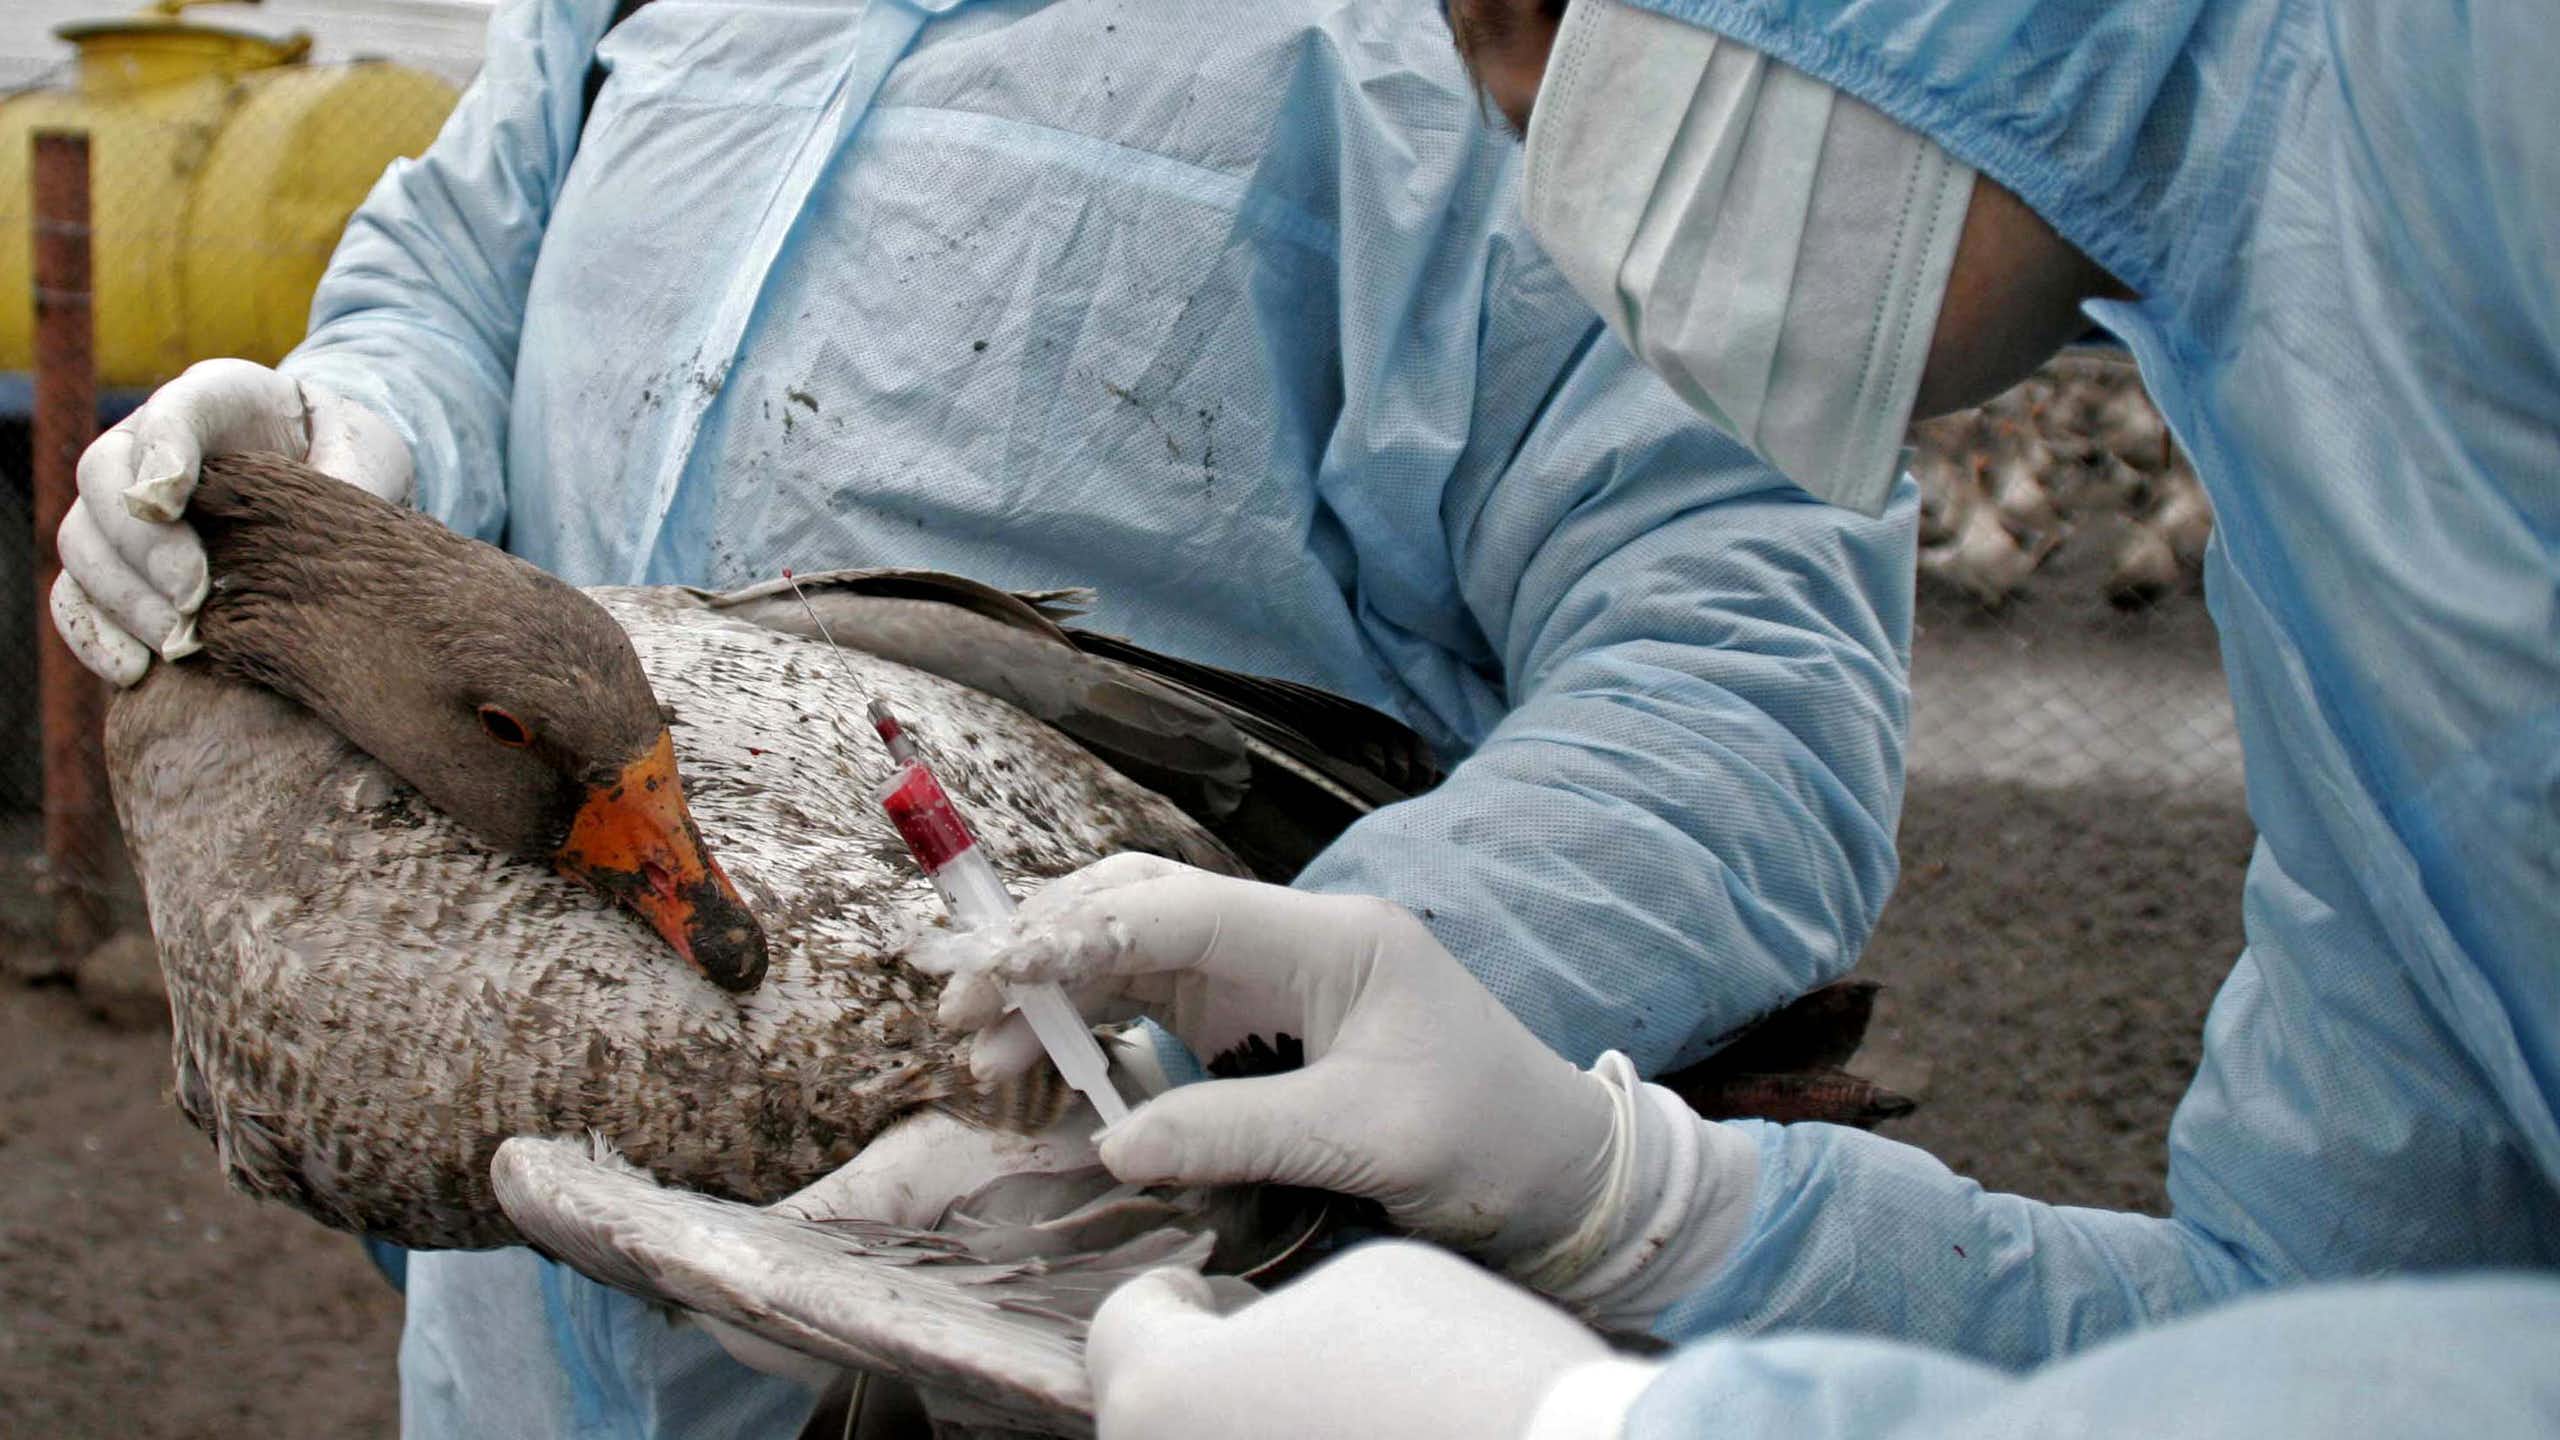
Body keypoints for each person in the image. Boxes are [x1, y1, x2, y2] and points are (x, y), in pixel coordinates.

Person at [48, 0, 1919, 1433]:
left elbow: (1740, 673)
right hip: (533, 1353)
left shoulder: (1498, 45)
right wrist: (359, 425)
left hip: (1134, 1311)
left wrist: (1251, 1083)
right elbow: (461, 271)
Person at [918, 0, 2560, 1431]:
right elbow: (2311, 1326)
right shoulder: (2316, 435)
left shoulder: (2481, 98)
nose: (1554, 157)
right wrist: (1631, 1197)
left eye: (1564, 19)